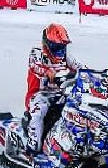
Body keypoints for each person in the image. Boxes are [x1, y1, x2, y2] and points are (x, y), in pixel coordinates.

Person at [26, 24, 83, 153]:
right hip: (39, 94)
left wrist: (91, 73)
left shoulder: (66, 54)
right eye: (57, 47)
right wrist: (47, 71)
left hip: (61, 93)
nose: (60, 50)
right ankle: (33, 148)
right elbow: (34, 66)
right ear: (47, 44)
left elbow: (78, 66)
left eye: (62, 47)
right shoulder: (37, 52)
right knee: (39, 112)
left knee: (79, 108)